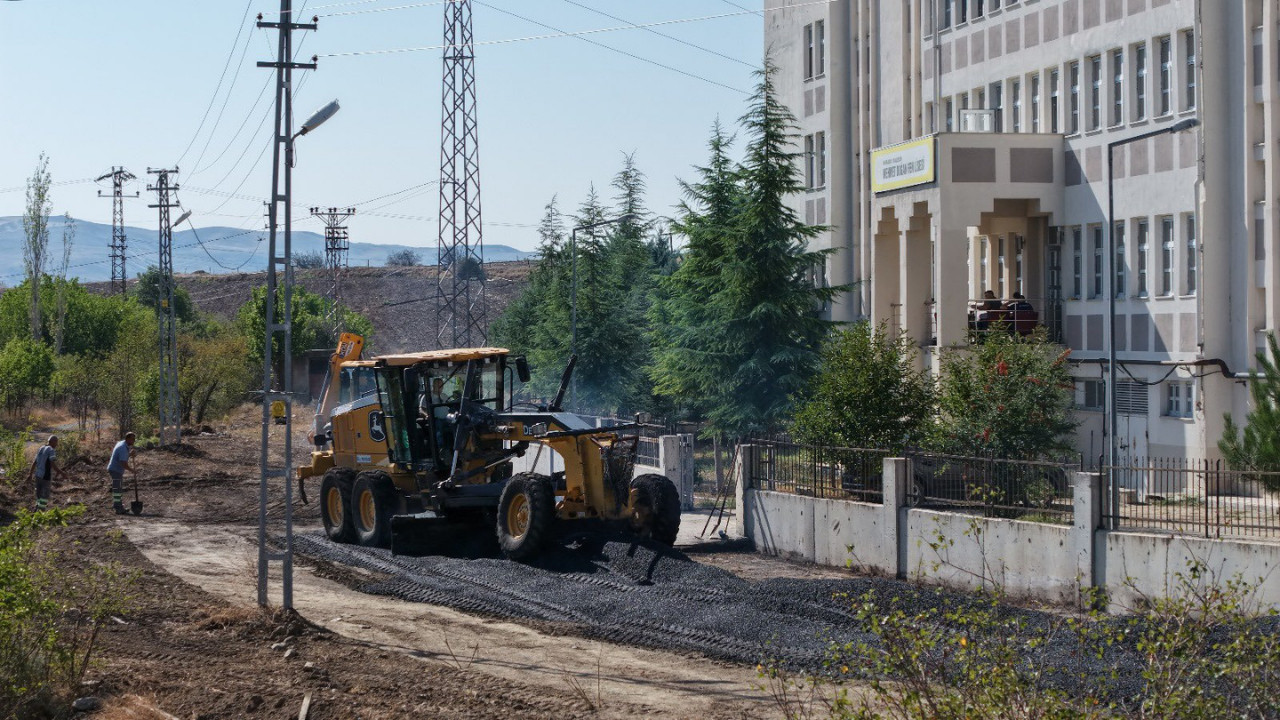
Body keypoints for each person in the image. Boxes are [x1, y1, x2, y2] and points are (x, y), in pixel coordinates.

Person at [28, 435, 67, 511]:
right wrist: (61, 473)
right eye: (56, 442)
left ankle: (37, 510)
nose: (57, 444)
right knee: (45, 496)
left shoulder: (41, 448)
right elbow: (52, 463)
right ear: (52, 442)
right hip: (45, 476)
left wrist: (30, 474)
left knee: (39, 495)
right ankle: (41, 511)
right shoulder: (51, 450)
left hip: (38, 475)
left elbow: (34, 462)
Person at [108, 432, 137, 514]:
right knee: (117, 489)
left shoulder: (122, 443)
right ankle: (118, 508)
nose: (134, 441)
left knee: (118, 489)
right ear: (127, 439)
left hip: (115, 469)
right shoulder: (123, 448)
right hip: (115, 470)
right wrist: (132, 470)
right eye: (132, 439)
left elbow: (122, 457)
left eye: (134, 439)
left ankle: (117, 505)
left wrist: (130, 454)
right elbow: (123, 463)